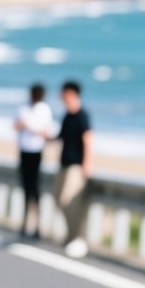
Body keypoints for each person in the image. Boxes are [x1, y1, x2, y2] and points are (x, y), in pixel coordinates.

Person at [53, 80, 94, 258]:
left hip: (76, 166)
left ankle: (77, 238)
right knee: (58, 199)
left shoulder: (82, 115)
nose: (61, 96)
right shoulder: (67, 116)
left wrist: (88, 163)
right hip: (64, 164)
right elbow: (59, 138)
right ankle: (71, 236)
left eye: (63, 93)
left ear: (71, 93)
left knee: (69, 201)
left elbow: (88, 140)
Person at [14, 82, 53, 239]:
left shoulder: (44, 109)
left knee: (36, 189)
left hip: (37, 152)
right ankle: (25, 223)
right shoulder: (23, 109)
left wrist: (34, 128)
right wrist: (24, 125)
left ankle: (36, 225)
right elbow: (16, 126)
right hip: (24, 151)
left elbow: (46, 131)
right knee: (25, 188)